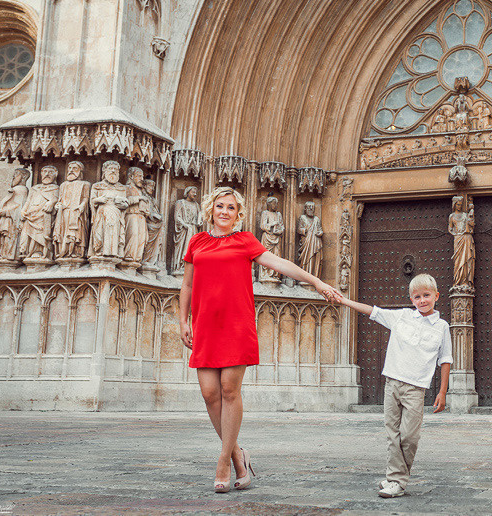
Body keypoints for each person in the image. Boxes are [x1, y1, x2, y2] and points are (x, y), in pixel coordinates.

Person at [179, 186, 339, 493]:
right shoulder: (197, 241)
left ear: (238, 214)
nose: (224, 212)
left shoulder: (245, 240)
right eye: (219, 206)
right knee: (210, 394)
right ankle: (240, 454)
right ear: (211, 209)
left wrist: (317, 282)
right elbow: (187, 285)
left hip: (235, 324)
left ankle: (225, 461)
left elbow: (280, 264)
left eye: (230, 208)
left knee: (228, 390)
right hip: (205, 326)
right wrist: (183, 320)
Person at [337, 273, 452, 498]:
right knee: (393, 434)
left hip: (416, 389)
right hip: (392, 383)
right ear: (411, 299)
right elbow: (372, 311)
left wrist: (443, 391)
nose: (422, 301)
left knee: (409, 436)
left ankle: (397, 476)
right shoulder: (401, 318)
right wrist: (343, 300)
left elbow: (445, 359)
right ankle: (396, 479)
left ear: (437, 296)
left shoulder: (442, 327)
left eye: (426, 295)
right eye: (417, 297)